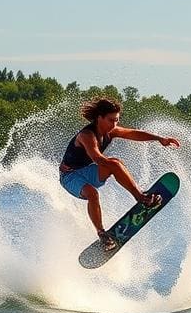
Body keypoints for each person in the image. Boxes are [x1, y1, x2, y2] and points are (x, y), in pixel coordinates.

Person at [59, 97, 180, 251]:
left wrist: (159, 138)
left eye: (116, 120)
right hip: (69, 176)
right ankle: (102, 233)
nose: (114, 124)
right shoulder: (86, 136)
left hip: (86, 172)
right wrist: (113, 166)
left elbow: (133, 134)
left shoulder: (111, 131)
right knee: (94, 192)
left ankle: (140, 197)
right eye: (111, 120)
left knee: (116, 162)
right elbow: (97, 158)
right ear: (99, 118)